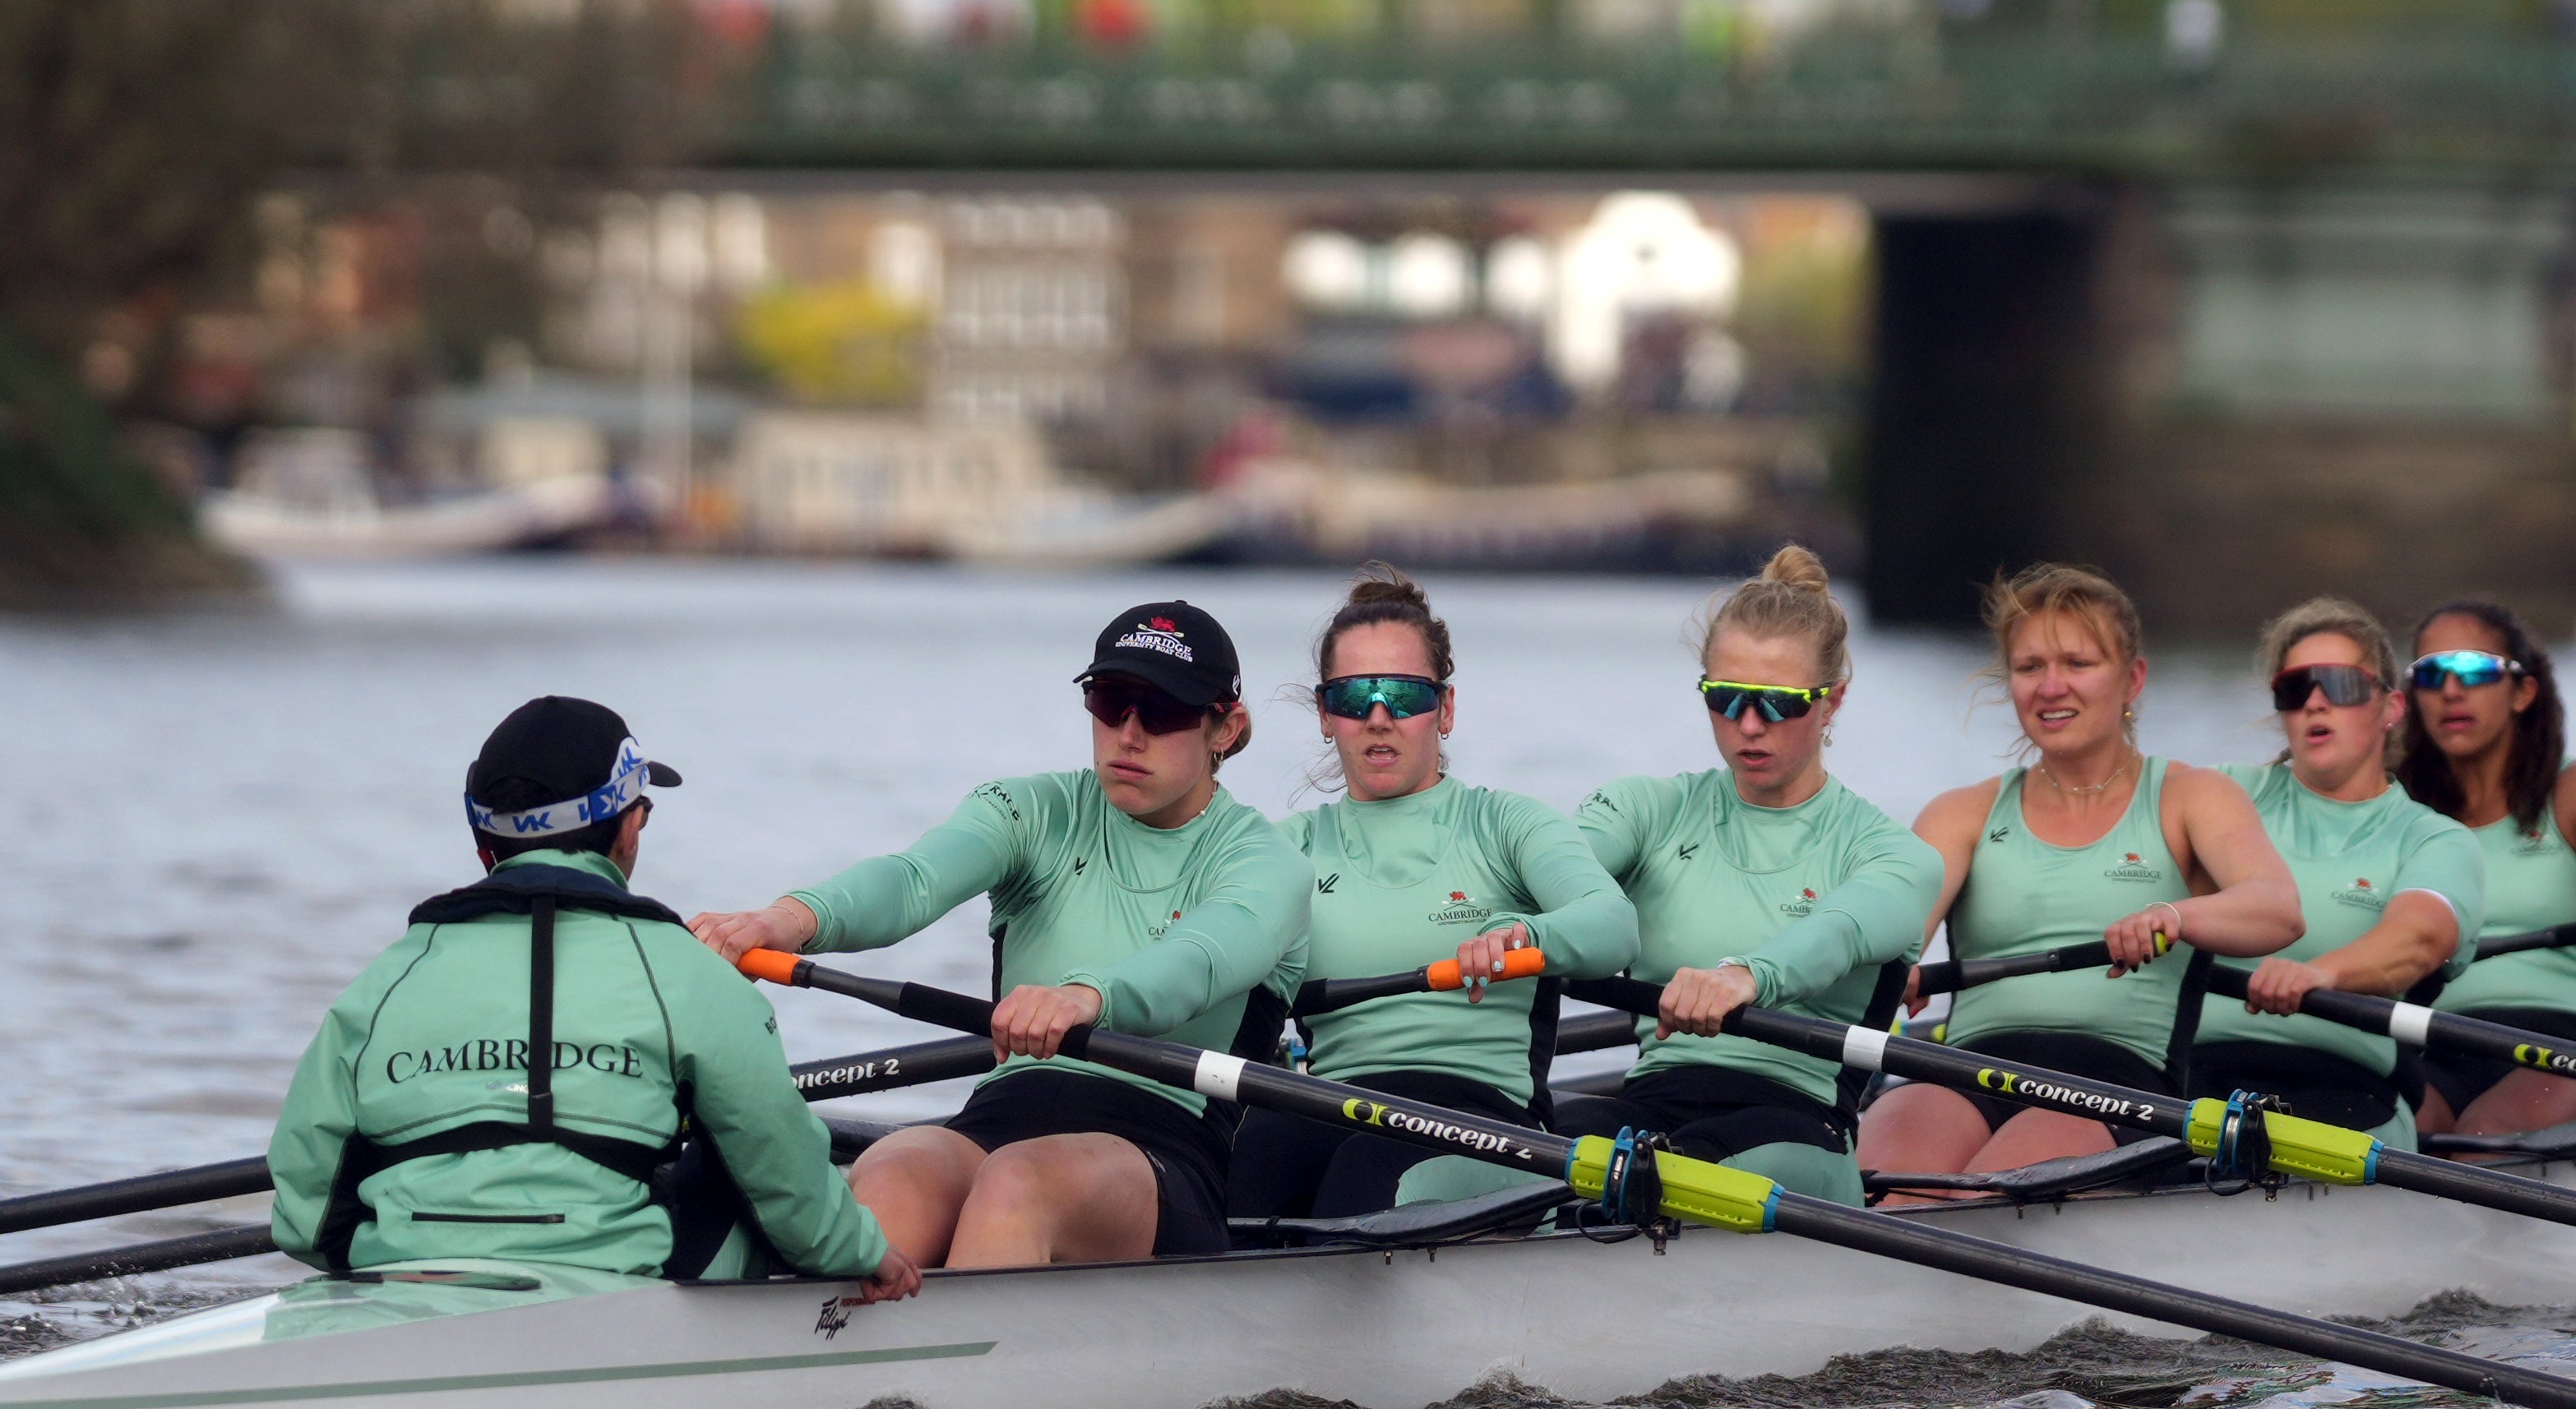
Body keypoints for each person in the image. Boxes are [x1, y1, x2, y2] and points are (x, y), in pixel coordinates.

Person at [694, 593, 1307, 1269]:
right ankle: (833, 1362)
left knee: (1018, 1183)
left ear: (1225, 728)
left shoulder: (1266, 862)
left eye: (1162, 711)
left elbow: (1198, 960)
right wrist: (782, 920)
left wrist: (1085, 997)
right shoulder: (1033, 811)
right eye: (1110, 702)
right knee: (895, 1165)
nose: (1129, 734)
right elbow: (912, 880)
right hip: (997, 1117)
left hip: (1165, 1150)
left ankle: (939, 1370)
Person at [264, 697, 905, 1322]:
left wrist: (379, 1256)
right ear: (628, 827)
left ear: (481, 838)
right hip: (612, 1293)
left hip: (401, 1280)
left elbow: (307, 1208)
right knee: (728, 1162)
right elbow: (781, 1169)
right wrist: (860, 1252)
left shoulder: (385, 979)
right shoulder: (688, 974)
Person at [1863, 560, 2302, 1188]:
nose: (2050, 687)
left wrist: (2174, 917)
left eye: (2078, 663)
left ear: (2133, 679)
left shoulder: (2192, 797)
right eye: (2030, 667)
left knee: (1964, 1202)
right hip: (1964, 1069)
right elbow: (1889, 928)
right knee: (1892, 1189)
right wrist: (1888, 968)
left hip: (2117, 1086)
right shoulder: (1962, 813)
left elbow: (2278, 907)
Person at [1233, 570, 1642, 1225]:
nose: (1378, 717)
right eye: (1353, 695)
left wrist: (1527, 937)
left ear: (1444, 709)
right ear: (1324, 714)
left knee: (1362, 1177)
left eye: (1403, 693)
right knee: (1239, 1167)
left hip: (1487, 1119)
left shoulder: (1508, 824)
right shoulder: (1288, 849)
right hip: (1332, 1103)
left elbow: (1614, 926)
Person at [1566, 539, 1949, 1203]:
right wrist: (1518, 923)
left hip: (1797, 1124)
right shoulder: (1645, 809)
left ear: (1832, 701)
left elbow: (1836, 931)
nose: (1748, 725)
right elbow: (1556, 871)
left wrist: (1746, 976)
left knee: (1654, 1176)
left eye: (1780, 703)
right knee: (1519, 1145)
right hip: (1651, 1103)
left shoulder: (1893, 855)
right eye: (1725, 698)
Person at [2387, 597, 2576, 1137]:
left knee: (2487, 1132)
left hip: (2569, 1048)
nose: (2451, 691)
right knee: (2386, 1125)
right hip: (2434, 1044)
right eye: (2432, 673)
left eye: (2476, 671)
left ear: (2523, 692)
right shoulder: (2396, 808)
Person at [2194, 594, 2481, 1125]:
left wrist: (2318, 975)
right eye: (2295, 688)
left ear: (2391, 709)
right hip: (2190, 1083)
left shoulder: (2434, 839)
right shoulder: (2222, 793)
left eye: (2341, 684)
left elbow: (2418, 940)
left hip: (2346, 1092)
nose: (2316, 703)